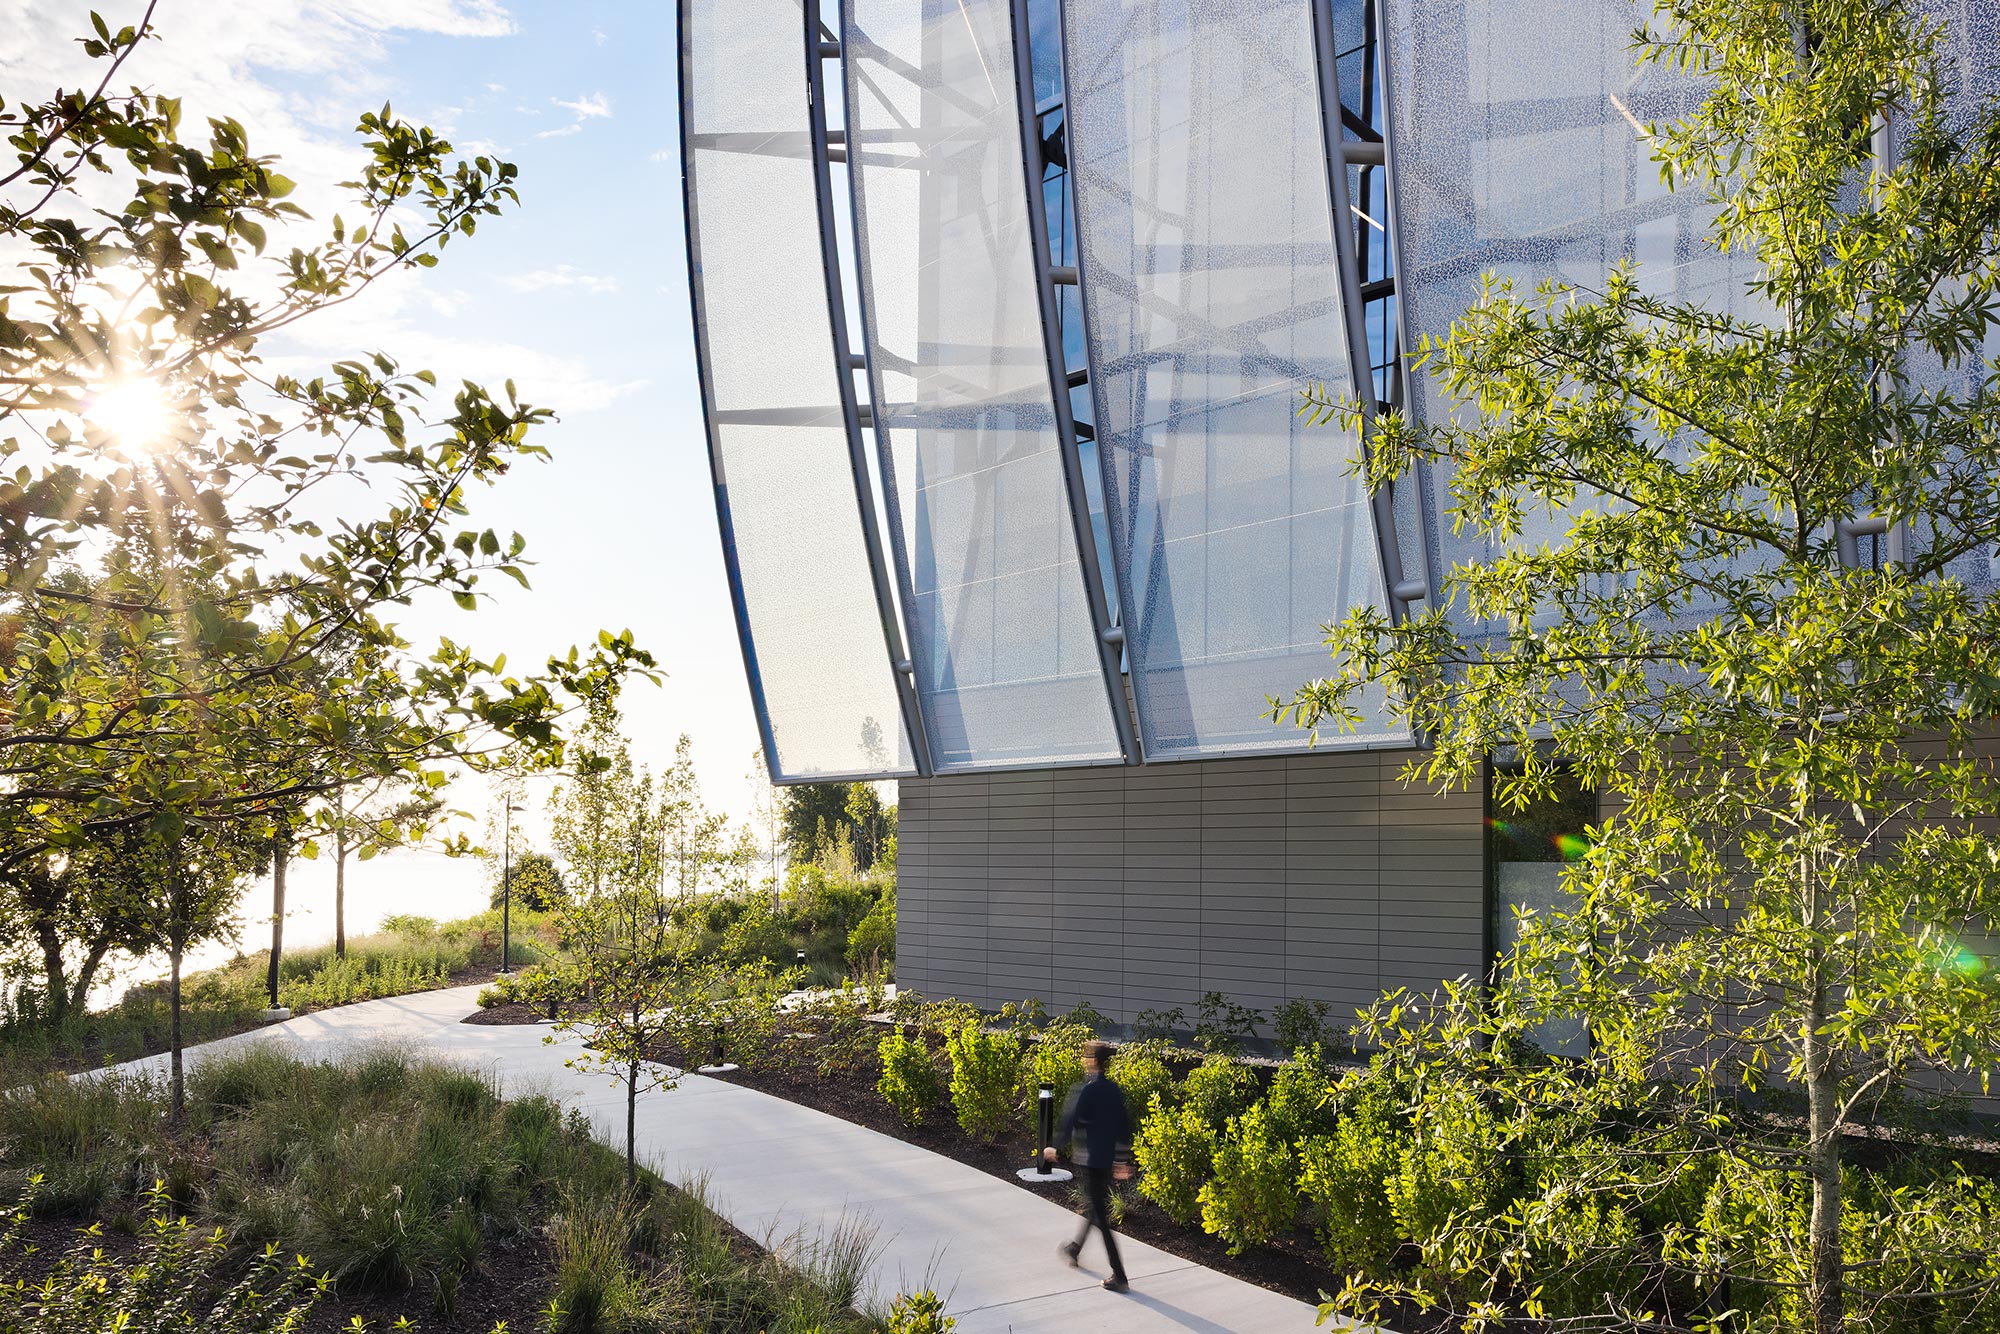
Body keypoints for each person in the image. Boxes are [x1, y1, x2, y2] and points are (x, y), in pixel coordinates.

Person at [1044, 1039, 1133, 1292]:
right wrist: (1122, 1160)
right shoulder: (1114, 1090)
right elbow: (1124, 1126)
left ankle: (1120, 1275)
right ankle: (1075, 1249)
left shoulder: (1087, 1089)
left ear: (1093, 1061)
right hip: (1106, 1160)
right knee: (1095, 1207)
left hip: (1091, 1160)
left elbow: (1071, 1120)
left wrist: (1055, 1146)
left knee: (1101, 1216)